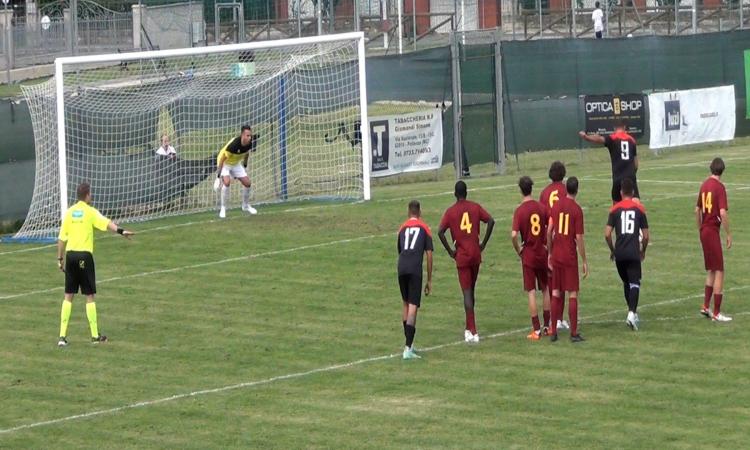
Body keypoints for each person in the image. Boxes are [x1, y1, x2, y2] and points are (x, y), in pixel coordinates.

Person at [56, 182, 135, 347]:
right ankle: (94, 335)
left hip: (70, 256)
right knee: (89, 295)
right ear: (87, 195)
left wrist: (60, 259)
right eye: (90, 194)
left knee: (68, 295)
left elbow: (62, 238)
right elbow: (107, 223)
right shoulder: (90, 212)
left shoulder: (69, 213)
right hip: (84, 256)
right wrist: (122, 231)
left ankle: (62, 337)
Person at [438, 181, 495, 343]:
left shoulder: (450, 212)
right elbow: (491, 221)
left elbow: (440, 232)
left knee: (467, 292)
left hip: (462, 256)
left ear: (455, 194)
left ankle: (473, 331)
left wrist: (451, 251)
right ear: (466, 192)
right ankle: (468, 328)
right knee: (471, 290)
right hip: (476, 254)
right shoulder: (475, 207)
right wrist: (482, 243)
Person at [605, 178, 649, 330]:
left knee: (626, 282)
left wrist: (612, 250)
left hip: (620, 253)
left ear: (621, 192)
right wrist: (643, 250)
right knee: (635, 282)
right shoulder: (639, 209)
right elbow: (646, 235)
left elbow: (607, 234)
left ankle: (632, 312)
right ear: (633, 192)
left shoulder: (614, 209)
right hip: (632, 251)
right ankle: (631, 313)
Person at [547, 177, 588, 343]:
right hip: (569, 255)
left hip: (556, 254)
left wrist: (550, 251)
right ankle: (573, 332)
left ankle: (554, 331)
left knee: (556, 291)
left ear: (565, 189)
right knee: (572, 293)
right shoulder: (577, 210)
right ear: (577, 190)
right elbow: (579, 237)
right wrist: (584, 260)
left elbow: (549, 231)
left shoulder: (556, 206)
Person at [511, 176, 551, 340]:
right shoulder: (541, 207)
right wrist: (548, 245)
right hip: (542, 252)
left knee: (531, 292)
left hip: (528, 254)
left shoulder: (520, 211)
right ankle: (548, 326)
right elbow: (551, 226)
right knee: (546, 288)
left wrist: (518, 249)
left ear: (520, 190)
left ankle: (536, 329)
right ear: (531, 189)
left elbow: (513, 235)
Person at [696, 158, 732, 322]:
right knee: (719, 270)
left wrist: (700, 227)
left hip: (704, 229)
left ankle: (705, 306)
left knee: (711, 268)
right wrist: (728, 234)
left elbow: (697, 210)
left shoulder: (704, 185)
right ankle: (717, 313)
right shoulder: (719, 187)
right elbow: (723, 212)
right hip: (712, 230)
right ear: (722, 171)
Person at [397, 200, 434, 360]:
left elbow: (400, 249)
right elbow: (429, 254)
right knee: (413, 306)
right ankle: (407, 349)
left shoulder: (402, 228)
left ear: (408, 212)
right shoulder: (425, 228)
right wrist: (429, 279)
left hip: (401, 267)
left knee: (405, 304)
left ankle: (409, 344)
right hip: (414, 269)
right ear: (419, 212)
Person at [578, 120, 640, 204]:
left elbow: (599, 139)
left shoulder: (612, 138)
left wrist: (586, 137)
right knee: (635, 203)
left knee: (616, 206)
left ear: (614, 128)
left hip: (618, 178)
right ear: (624, 127)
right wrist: (632, 172)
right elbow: (636, 164)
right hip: (630, 177)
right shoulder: (632, 140)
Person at [539, 161, 568, 330]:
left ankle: (552, 319)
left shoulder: (544, 193)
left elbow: (542, 217)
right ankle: (560, 318)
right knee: (563, 280)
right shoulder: (565, 190)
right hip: (561, 237)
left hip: (547, 237)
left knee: (551, 281)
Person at [216, 125, 258, 218]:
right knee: (227, 182)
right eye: (247, 136)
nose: (249, 137)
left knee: (247, 183)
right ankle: (223, 208)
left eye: (250, 136)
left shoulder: (249, 143)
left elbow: (246, 154)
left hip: (235, 163)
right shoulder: (234, 145)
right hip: (224, 163)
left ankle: (245, 206)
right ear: (242, 135)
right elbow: (222, 159)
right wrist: (218, 177)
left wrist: (245, 166)